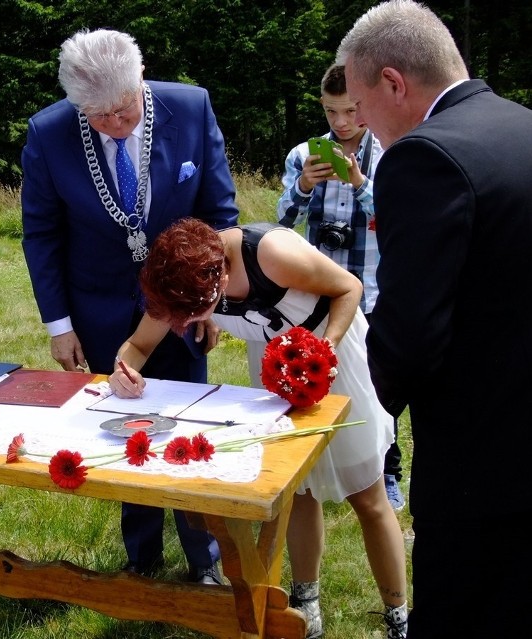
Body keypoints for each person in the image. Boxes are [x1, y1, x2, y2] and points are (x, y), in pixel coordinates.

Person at [110, 218, 408, 639]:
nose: (192, 321)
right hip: (275, 372)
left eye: (200, 312)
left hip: (332, 356)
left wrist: (326, 349)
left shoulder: (270, 254)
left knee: (367, 493)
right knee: (298, 490)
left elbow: (349, 288)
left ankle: (398, 614)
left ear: (222, 277)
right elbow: (138, 346)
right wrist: (123, 371)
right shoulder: (181, 280)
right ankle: (306, 603)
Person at [336, 1, 532, 636]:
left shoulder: (426, 158)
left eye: (362, 107)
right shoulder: (521, 125)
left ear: (394, 82)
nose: (361, 125)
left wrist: (360, 411)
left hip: (483, 460)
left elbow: (410, 336)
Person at [21, 29, 239, 585]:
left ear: (141, 82)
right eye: (98, 116)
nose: (114, 125)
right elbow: (41, 233)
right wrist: (59, 324)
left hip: (184, 305)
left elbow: (219, 212)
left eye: (123, 111)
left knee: (190, 420)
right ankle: (142, 560)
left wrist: (209, 298)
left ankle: (205, 559)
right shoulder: (49, 133)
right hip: (97, 308)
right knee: (121, 427)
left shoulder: (190, 108)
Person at [277, 64, 405, 512]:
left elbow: (398, 220)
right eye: (332, 112)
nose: (341, 122)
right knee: (323, 373)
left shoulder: (391, 152)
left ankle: (387, 469)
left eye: (350, 110)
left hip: (371, 289)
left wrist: (359, 183)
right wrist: (303, 186)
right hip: (319, 293)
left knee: (379, 385)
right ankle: (321, 463)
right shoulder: (303, 155)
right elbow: (281, 223)